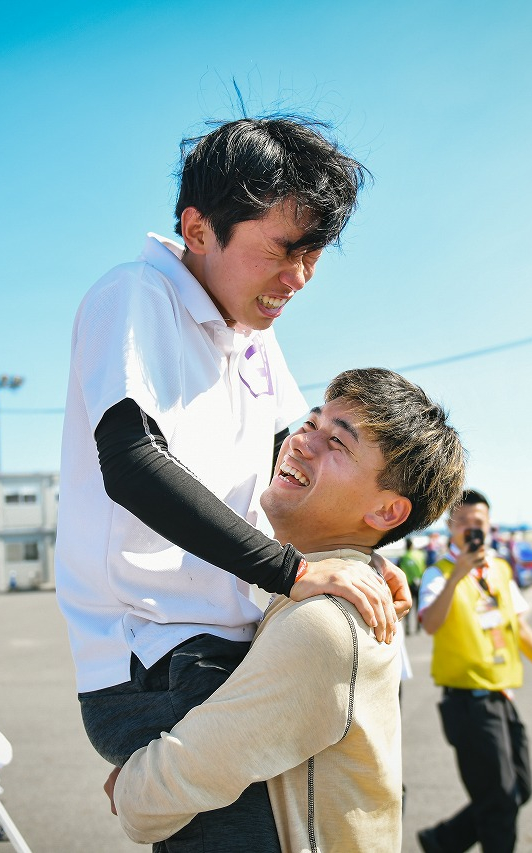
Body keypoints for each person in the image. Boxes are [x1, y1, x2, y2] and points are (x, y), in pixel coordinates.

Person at [54, 116, 407, 851]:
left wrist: (355, 556)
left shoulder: (253, 336)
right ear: (198, 228)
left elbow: (291, 463)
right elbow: (132, 461)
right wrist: (295, 571)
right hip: (158, 656)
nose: (299, 278)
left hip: (228, 641)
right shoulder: (137, 294)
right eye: (282, 250)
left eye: (313, 255)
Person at [108, 368, 466, 852]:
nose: (299, 442)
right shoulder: (343, 588)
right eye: (311, 423)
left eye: (336, 443)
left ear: (386, 512)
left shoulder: (324, 621)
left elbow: (186, 774)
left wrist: (130, 786)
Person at [416, 490, 532, 853]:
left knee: (519, 789)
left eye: (478, 522)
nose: (471, 528)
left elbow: (520, 628)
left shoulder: (500, 569)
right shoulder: (438, 573)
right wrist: (458, 575)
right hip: (467, 701)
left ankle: (442, 840)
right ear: (450, 527)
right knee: (499, 802)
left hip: (502, 695)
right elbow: (430, 624)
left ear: (490, 525)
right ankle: (443, 841)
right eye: (463, 522)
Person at [400, 537, 427, 634]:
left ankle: (407, 627)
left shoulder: (403, 557)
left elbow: (400, 570)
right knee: (418, 606)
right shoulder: (420, 555)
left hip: (408, 584)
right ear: (412, 546)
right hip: (419, 583)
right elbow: (424, 568)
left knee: (407, 607)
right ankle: (418, 626)